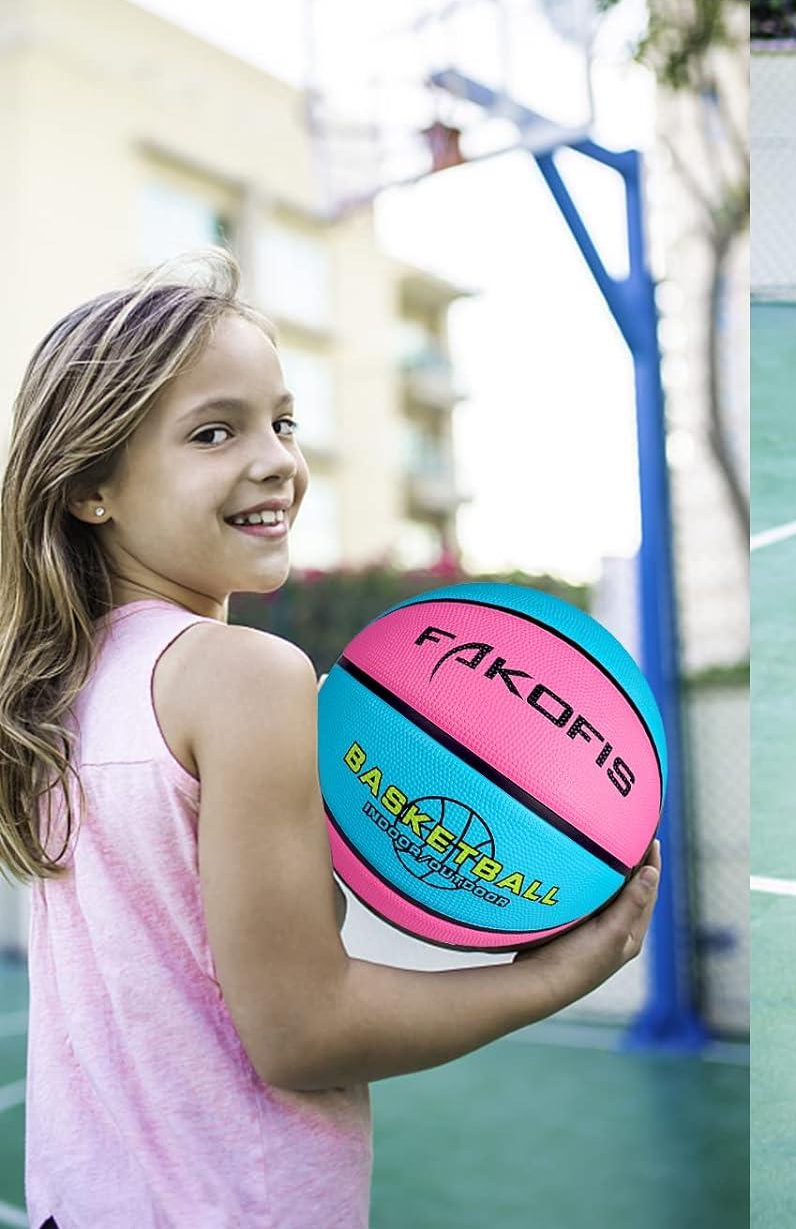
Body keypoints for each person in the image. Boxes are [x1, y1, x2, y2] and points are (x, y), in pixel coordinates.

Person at [0, 251, 661, 1225]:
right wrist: (557, 977)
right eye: (214, 432)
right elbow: (304, 1032)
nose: (273, 459)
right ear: (91, 486)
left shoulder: (54, 688)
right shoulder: (242, 677)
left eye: (283, 420)